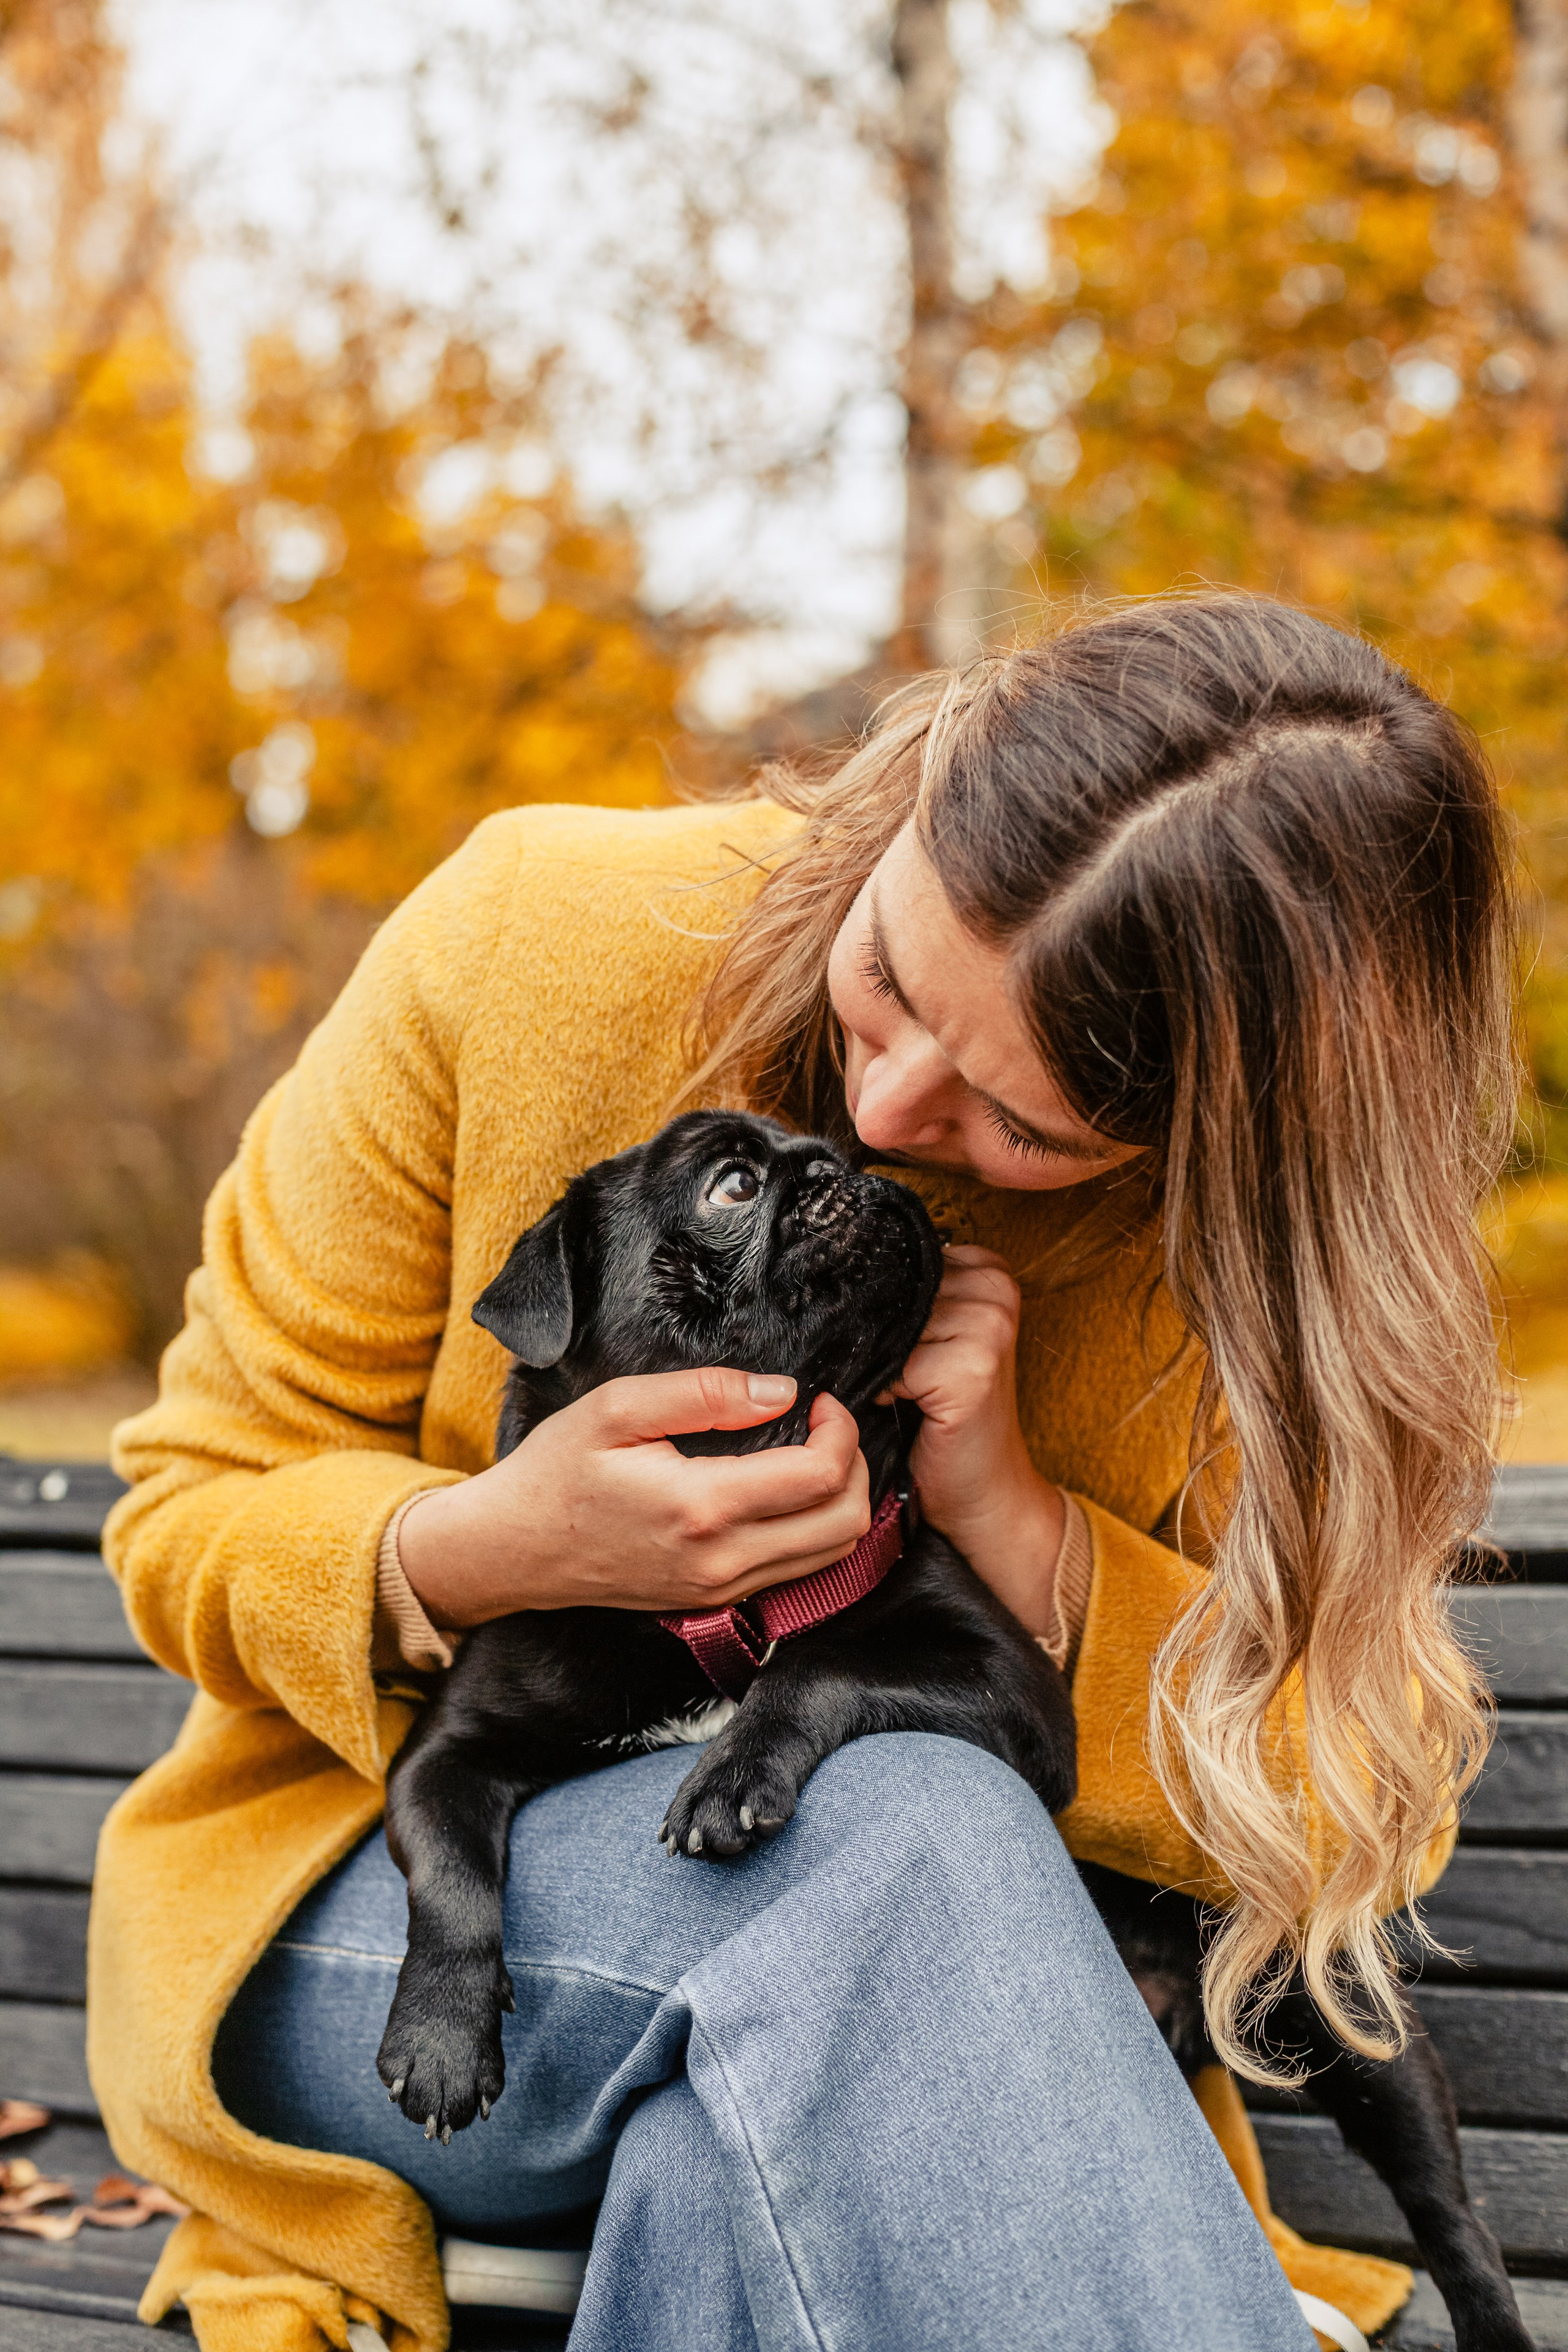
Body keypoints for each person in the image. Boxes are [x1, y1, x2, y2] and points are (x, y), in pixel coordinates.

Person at [89, 592, 1510, 2352]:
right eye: (888, 978)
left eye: (1024, 1125)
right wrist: (476, 1549)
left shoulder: (1258, 1280)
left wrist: (1022, 1533)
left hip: (889, 2036)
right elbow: (190, 1502)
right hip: (379, 1930)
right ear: (913, 792)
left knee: (746, 2143)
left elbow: (1364, 1796)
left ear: (1222, 1133)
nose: (894, 1113)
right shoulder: (531, 938)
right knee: (899, 1817)